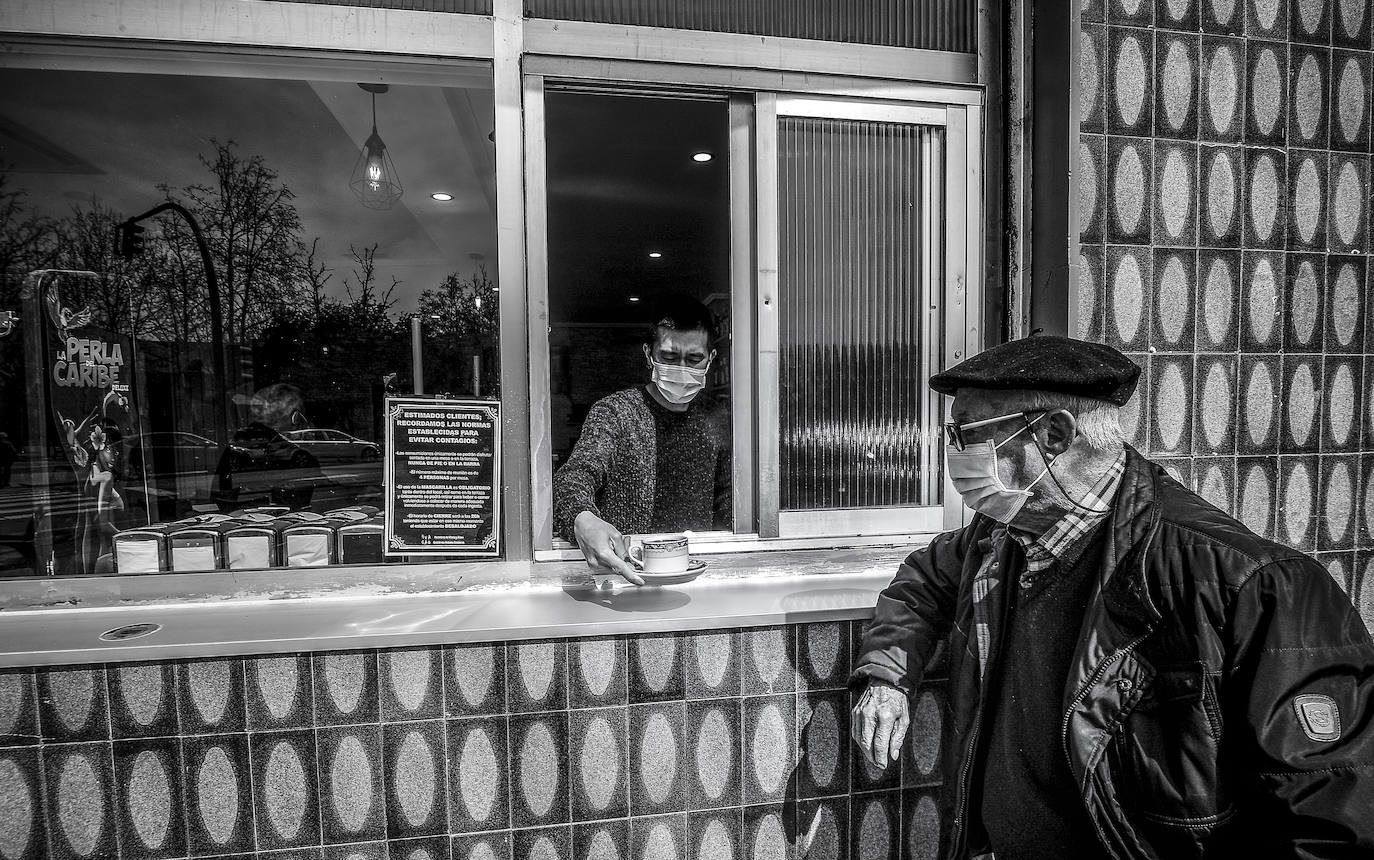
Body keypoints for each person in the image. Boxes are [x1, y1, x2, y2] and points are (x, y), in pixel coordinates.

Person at [850, 335, 1374, 859]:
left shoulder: (1250, 582)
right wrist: (888, 676)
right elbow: (923, 580)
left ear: (1053, 433)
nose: (954, 452)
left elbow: (1328, 814)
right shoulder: (1000, 537)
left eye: (966, 432)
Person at [553, 295, 730, 584]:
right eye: (669, 357)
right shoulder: (615, 412)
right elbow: (574, 477)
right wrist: (582, 518)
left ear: (710, 359)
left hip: (698, 578)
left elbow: (730, 501)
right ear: (649, 354)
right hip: (624, 577)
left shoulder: (718, 419)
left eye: (694, 358)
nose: (682, 368)